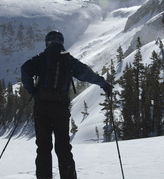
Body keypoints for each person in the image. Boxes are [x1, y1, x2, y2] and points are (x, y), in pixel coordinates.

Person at [21, 30, 112, 179]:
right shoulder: (69, 61)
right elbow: (87, 74)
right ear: (62, 43)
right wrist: (103, 84)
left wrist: (32, 91)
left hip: (42, 108)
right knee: (63, 148)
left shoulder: (41, 58)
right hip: (61, 108)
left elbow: (25, 69)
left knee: (43, 148)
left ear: (47, 43)